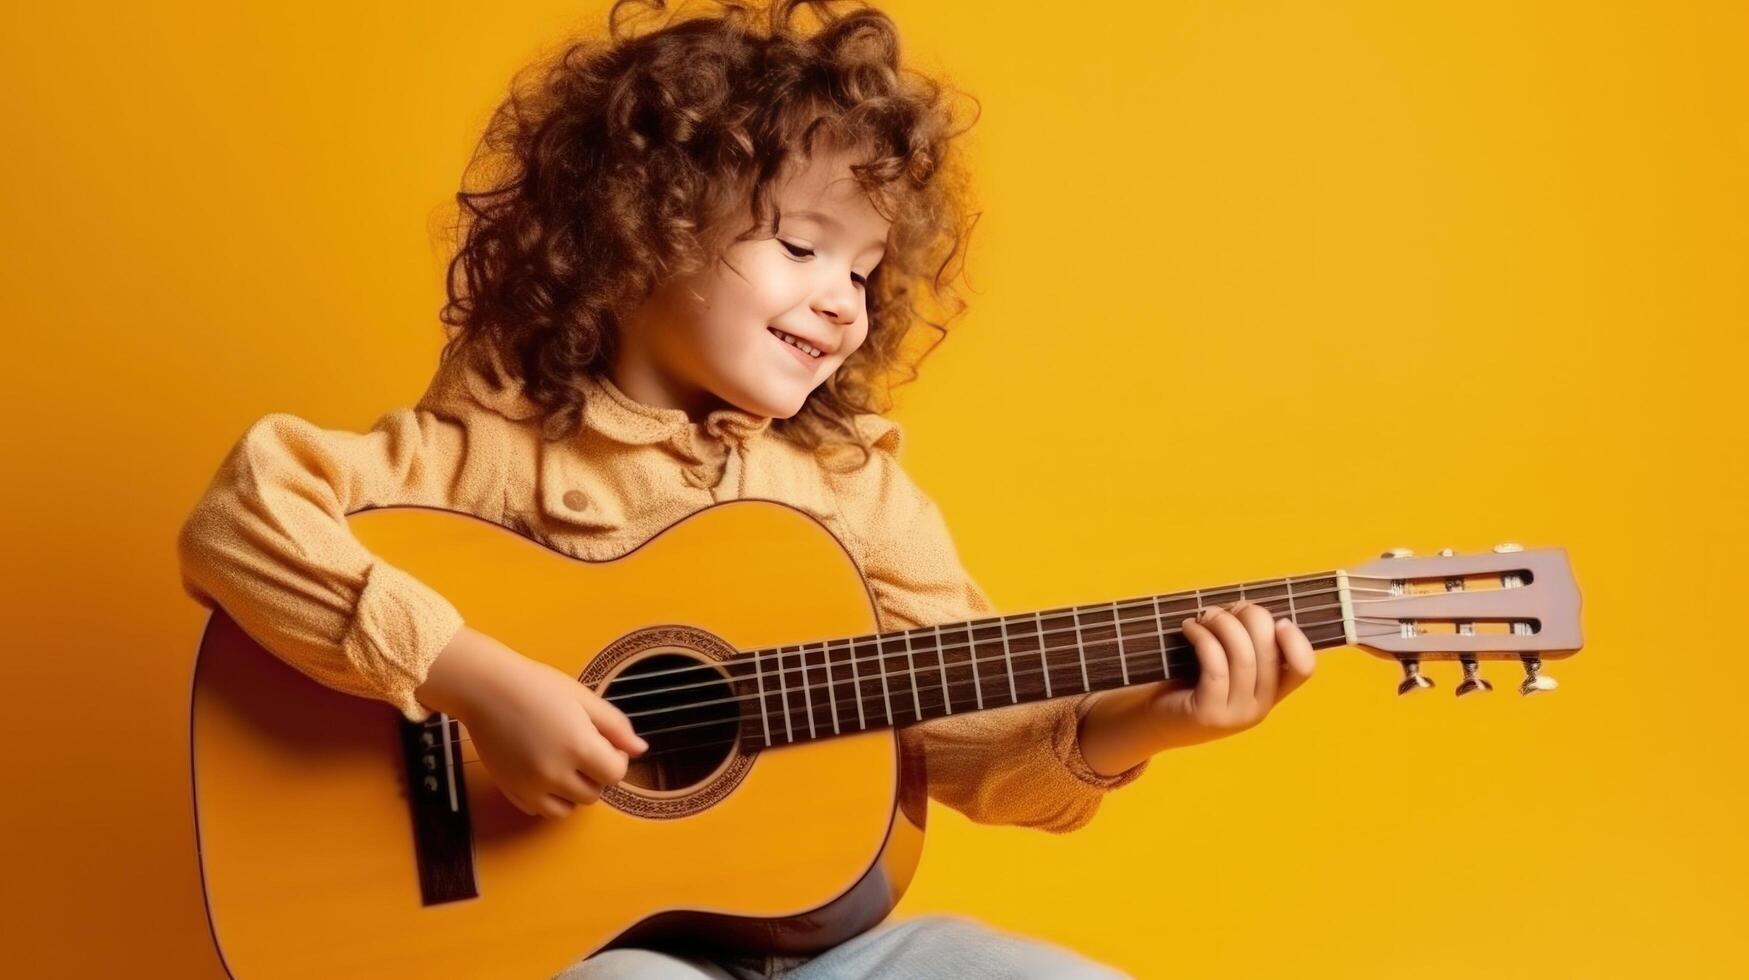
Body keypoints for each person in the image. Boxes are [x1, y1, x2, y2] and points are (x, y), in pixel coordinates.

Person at [175, 2, 1316, 977]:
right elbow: (243, 514)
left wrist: (1142, 722)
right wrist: (473, 679)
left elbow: (972, 729)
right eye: (804, 247)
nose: (842, 300)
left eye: (866, 271)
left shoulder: (848, 485)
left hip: (827, 952)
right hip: (583, 952)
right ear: (641, 225)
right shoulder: (499, 438)